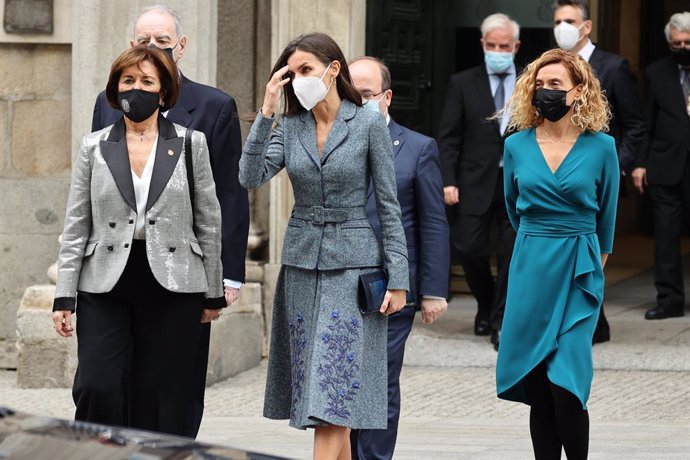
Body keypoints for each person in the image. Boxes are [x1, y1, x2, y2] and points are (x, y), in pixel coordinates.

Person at [239, 33, 409, 459]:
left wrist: (399, 278)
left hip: (352, 267)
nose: (298, 80)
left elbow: (388, 205)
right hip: (300, 265)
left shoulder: (368, 122)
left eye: (306, 71)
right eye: (291, 73)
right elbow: (250, 175)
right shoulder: (291, 126)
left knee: (333, 389)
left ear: (333, 70)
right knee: (320, 388)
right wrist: (266, 111)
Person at [90, 5, 249, 437]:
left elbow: (228, 196)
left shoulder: (214, 106)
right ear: (130, 45)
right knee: (106, 380)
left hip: (183, 271)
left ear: (181, 47)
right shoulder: (108, 106)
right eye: (144, 40)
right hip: (117, 266)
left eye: (162, 41)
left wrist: (227, 275)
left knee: (171, 384)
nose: (152, 48)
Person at [51, 45, 225, 437]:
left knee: (160, 394)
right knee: (98, 385)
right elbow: (77, 222)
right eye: (128, 80)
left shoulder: (190, 143)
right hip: (105, 282)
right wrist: (64, 295)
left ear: (163, 92)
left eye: (147, 81)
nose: (136, 88)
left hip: (174, 283)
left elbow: (208, 221)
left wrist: (213, 292)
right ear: (116, 88)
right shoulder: (93, 146)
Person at [496, 48, 619, 459]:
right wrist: (541, 243)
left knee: (567, 384)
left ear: (579, 92)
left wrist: (592, 278)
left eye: (556, 85)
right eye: (540, 84)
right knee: (539, 389)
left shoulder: (602, 147)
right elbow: (515, 210)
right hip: (531, 269)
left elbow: (607, 225)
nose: (546, 91)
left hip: (579, 273)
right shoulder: (516, 145)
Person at [347, 56, 450, 460]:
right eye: (350, 93)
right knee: (341, 379)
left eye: (367, 94)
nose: (358, 100)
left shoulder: (418, 148)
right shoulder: (330, 141)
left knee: (380, 378)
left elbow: (433, 223)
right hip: (338, 282)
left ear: (386, 97)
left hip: (390, 287)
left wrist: (433, 290)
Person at [553, 0, 646, 343]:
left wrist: (613, 168)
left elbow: (634, 125)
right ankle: (589, 321)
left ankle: (588, 319)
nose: (563, 26)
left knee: (591, 246)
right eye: (558, 20)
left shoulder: (613, 66)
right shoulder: (549, 66)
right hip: (554, 174)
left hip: (593, 178)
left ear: (587, 26)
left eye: (570, 20)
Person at [437, 13, 520, 349]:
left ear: (516, 47)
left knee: (512, 253)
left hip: (518, 181)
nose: (498, 50)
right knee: (469, 249)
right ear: (482, 45)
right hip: (473, 181)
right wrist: (448, 180)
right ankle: (486, 304)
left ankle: (500, 320)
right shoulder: (462, 82)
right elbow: (448, 137)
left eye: (504, 45)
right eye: (492, 45)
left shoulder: (532, 81)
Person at [632, 11, 690, 320]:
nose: (683, 47)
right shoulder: (656, 72)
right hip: (665, 165)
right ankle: (669, 299)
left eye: (688, 42)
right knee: (666, 238)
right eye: (676, 43)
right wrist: (640, 163)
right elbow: (647, 121)